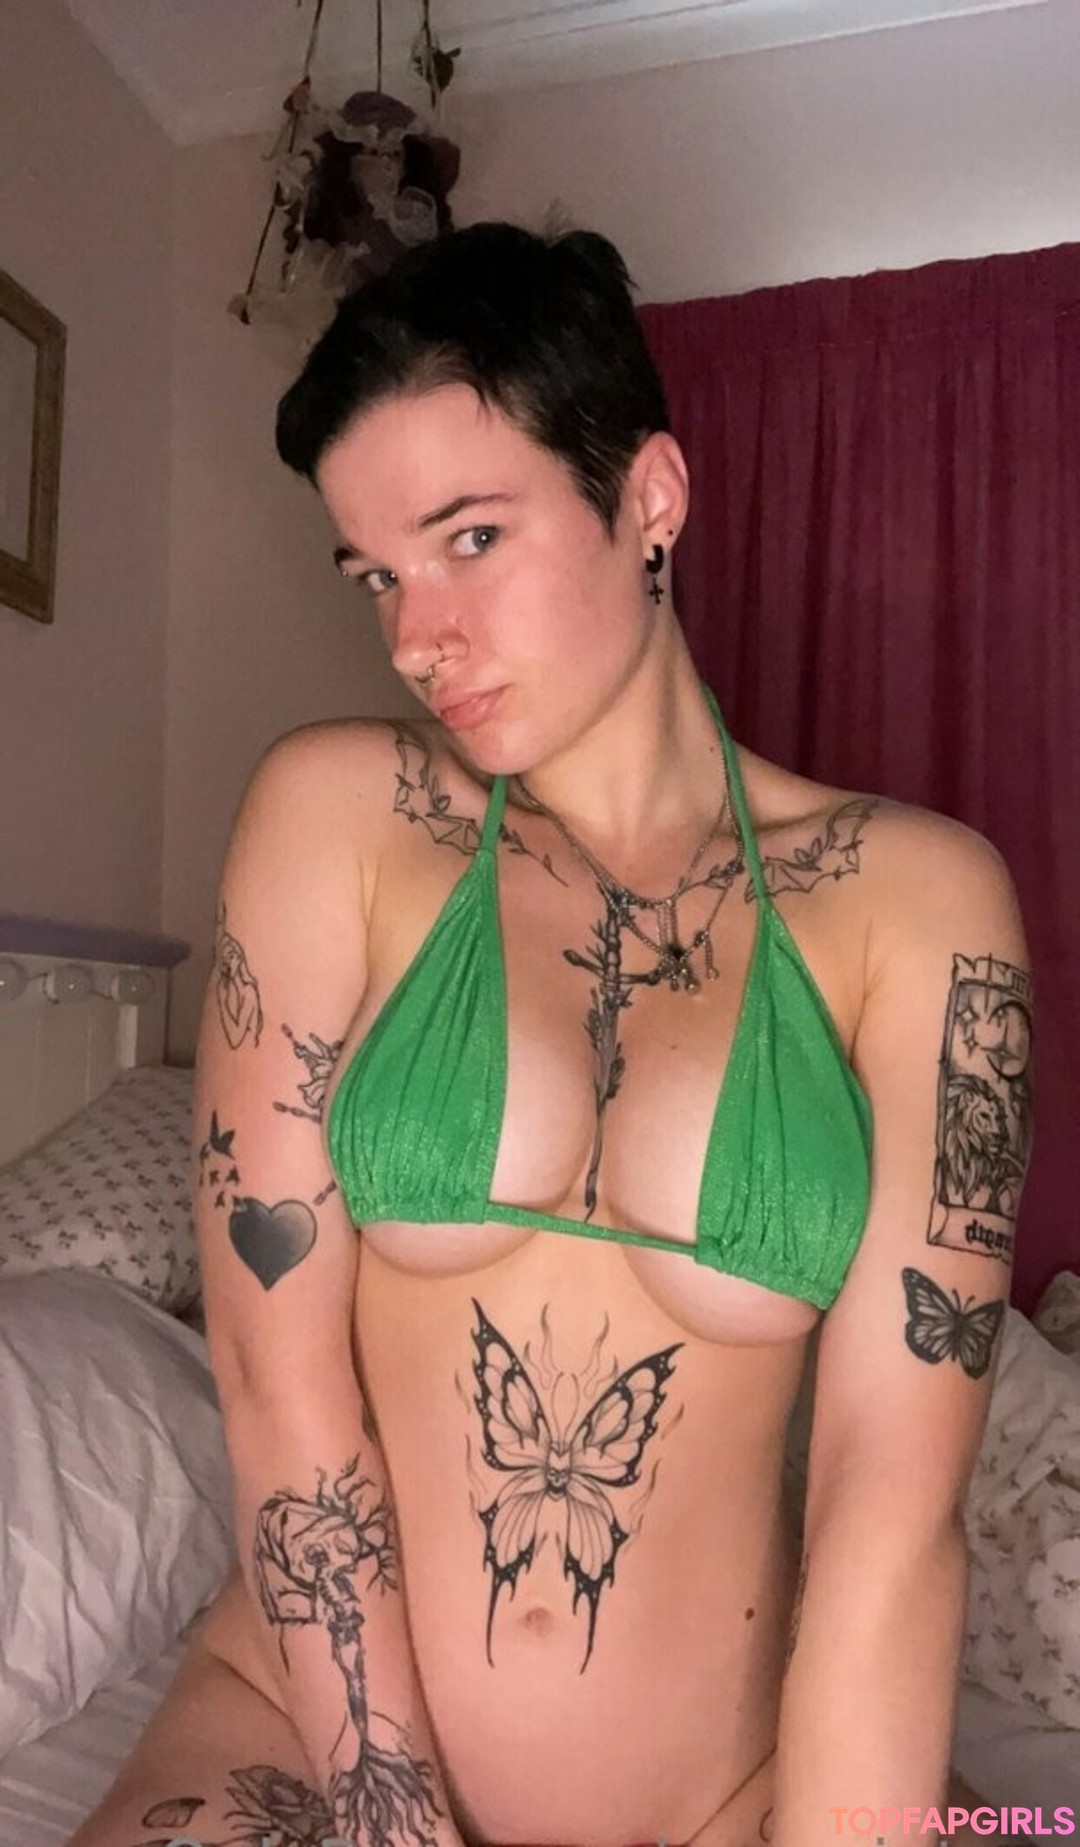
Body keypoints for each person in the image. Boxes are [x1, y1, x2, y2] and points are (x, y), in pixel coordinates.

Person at [70, 221, 1033, 1847]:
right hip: (311, 1741)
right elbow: (272, 1379)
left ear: (650, 496)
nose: (413, 637)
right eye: (377, 573)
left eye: (468, 538)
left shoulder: (918, 902)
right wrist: (392, 1823)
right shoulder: (337, 818)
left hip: (742, 1792)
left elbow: (893, 1505)